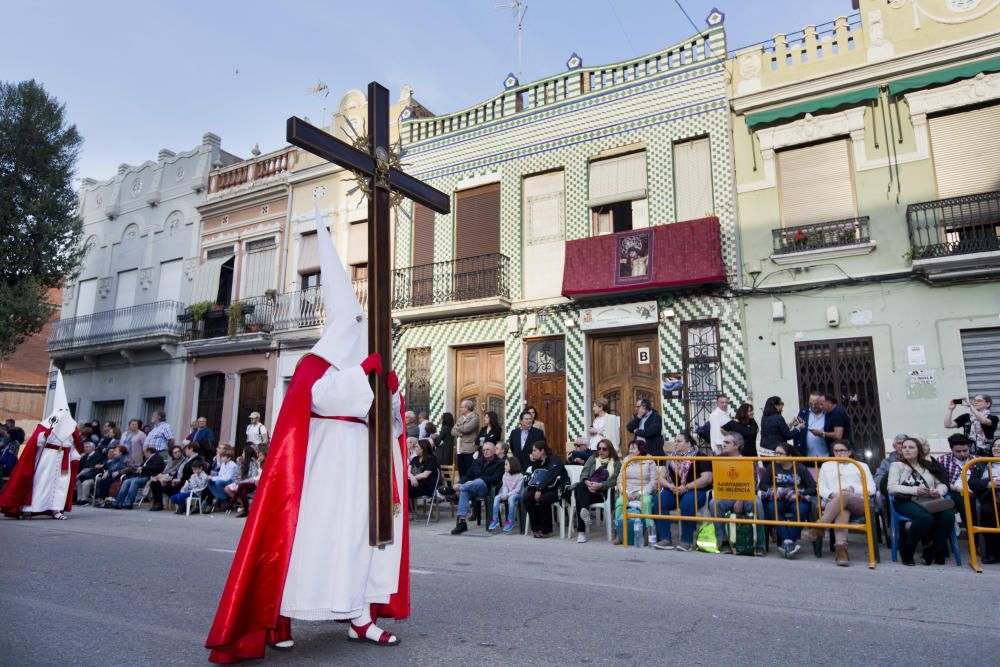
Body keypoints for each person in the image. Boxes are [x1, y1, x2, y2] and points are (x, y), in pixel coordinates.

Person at [206, 208, 408, 661]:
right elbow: (321, 399)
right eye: (356, 324)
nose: (364, 333)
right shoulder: (314, 365)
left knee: (360, 537)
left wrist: (390, 396)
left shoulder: (364, 368)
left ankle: (359, 615)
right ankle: (278, 617)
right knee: (308, 539)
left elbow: (389, 422)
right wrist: (362, 376)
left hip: (363, 466)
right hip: (323, 468)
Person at [0, 372, 83, 519]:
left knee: (60, 485)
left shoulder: (72, 426)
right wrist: (44, 435)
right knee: (41, 483)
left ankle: (56, 509)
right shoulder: (46, 424)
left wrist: (75, 457)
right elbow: (36, 442)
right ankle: (30, 507)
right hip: (47, 459)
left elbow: (75, 444)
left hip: (64, 459)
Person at [806, 439, 877, 566]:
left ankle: (820, 525)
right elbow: (820, 487)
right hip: (834, 502)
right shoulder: (827, 465)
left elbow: (871, 489)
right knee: (842, 510)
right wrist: (832, 495)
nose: (839, 453)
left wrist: (854, 490)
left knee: (844, 496)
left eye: (842, 450)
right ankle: (841, 550)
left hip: (858, 502)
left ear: (849, 452)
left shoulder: (861, 466)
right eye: (836, 451)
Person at [887, 436, 956, 566]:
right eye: (904, 448)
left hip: (928, 500)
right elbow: (891, 487)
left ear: (918, 450)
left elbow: (942, 484)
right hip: (906, 501)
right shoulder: (897, 465)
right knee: (926, 518)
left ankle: (933, 550)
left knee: (948, 515)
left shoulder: (928, 465)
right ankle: (908, 549)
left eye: (911, 447)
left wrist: (938, 491)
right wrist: (915, 490)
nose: (906, 450)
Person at [652, 432, 712, 551]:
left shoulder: (700, 457)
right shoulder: (671, 458)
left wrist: (686, 487)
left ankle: (686, 541)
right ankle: (666, 539)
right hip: (675, 490)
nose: (675, 443)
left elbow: (707, 478)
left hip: (695, 490)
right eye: (675, 441)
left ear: (688, 443)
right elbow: (661, 478)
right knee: (659, 500)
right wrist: (670, 486)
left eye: (679, 441)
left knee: (687, 503)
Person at [759, 443, 816, 558]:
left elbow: (812, 487)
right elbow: (762, 485)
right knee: (772, 508)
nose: (776, 456)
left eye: (780, 453)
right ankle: (789, 542)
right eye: (775, 453)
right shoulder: (773, 466)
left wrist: (799, 492)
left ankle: (787, 542)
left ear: (789, 456)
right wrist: (778, 490)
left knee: (801, 509)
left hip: (796, 497)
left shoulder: (800, 467)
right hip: (778, 496)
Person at [712, 433, 765, 556]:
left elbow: (754, 484)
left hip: (746, 496)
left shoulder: (749, 461)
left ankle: (759, 545)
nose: (723, 444)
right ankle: (723, 541)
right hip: (727, 496)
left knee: (756, 503)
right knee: (714, 503)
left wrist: (740, 499)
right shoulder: (719, 460)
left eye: (727, 443)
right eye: (724, 442)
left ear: (737, 446)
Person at [450, 441, 503, 535]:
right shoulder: (477, 461)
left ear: (494, 450)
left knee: (479, 481)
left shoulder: (500, 463)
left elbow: (496, 478)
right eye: (484, 450)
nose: (485, 452)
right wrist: (460, 482)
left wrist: (477, 480)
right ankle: (462, 523)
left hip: (488, 489)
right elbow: (468, 475)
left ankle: (453, 490)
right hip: (473, 488)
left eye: (488, 450)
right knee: (464, 491)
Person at [574, 438, 621, 543]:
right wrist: (587, 482)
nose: (601, 451)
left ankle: (581, 532)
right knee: (581, 487)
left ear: (610, 450)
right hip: (588, 489)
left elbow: (615, 481)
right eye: (599, 448)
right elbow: (584, 473)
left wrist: (601, 485)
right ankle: (584, 519)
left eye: (604, 449)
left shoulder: (616, 462)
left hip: (603, 494)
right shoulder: (593, 458)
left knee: (580, 498)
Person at [614, 440, 657, 544]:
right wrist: (625, 492)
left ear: (641, 449)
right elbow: (620, 480)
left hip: (644, 491)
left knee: (646, 502)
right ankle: (619, 533)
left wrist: (640, 493)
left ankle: (647, 531)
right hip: (629, 491)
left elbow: (653, 482)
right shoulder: (626, 461)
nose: (630, 451)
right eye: (630, 448)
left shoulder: (649, 461)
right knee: (619, 503)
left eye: (633, 448)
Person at [523, 442, 568, 538]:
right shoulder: (538, 461)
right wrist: (534, 462)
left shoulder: (555, 459)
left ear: (542, 451)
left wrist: (539, 489)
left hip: (557, 488)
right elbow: (536, 476)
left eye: (534, 450)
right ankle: (536, 528)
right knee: (527, 497)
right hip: (543, 488)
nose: (532, 453)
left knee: (544, 499)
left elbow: (550, 475)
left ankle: (546, 530)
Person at [967, 437, 1000, 564]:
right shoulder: (983, 463)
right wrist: (989, 484)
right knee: (987, 512)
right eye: (995, 446)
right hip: (989, 498)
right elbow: (972, 482)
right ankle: (992, 552)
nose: (997, 448)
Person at [936, 433, 977, 527]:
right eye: (958, 451)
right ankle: (973, 537)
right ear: (951, 450)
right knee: (965, 504)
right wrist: (957, 489)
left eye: (965, 450)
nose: (962, 454)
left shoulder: (977, 460)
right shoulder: (942, 460)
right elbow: (940, 481)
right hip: (955, 491)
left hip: (975, 490)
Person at [148, 442, 200, 511]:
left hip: (184, 481)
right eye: (175, 452)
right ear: (172, 454)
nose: (178, 453)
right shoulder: (172, 461)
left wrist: (175, 479)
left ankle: (183, 505)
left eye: (179, 451)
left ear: (191, 449)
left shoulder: (186, 460)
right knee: (155, 483)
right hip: (177, 479)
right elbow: (167, 471)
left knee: (166, 487)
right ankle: (158, 503)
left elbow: (187, 474)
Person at [112, 444, 165, 509]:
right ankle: (118, 503)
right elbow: (142, 467)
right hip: (142, 476)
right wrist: (139, 469)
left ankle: (129, 503)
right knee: (126, 481)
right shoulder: (147, 459)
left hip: (149, 477)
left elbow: (156, 468)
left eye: (144, 452)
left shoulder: (157, 458)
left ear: (148, 451)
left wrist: (143, 469)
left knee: (134, 482)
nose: (143, 453)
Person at [226, 445, 263, 518]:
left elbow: (253, 477)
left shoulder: (254, 462)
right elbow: (239, 474)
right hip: (247, 483)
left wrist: (241, 482)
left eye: (243, 453)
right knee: (242, 491)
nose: (242, 454)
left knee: (241, 486)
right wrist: (239, 463)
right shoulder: (244, 461)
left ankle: (231, 503)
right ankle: (246, 511)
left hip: (255, 483)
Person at [489, 456, 524, 533]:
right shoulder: (505, 475)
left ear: (513, 465)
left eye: (506, 464)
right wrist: (505, 494)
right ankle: (495, 519)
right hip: (507, 493)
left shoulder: (520, 476)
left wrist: (508, 495)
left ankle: (510, 521)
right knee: (497, 497)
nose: (504, 466)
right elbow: (504, 486)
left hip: (518, 495)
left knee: (511, 498)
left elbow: (517, 490)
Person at [791, 393, 827, 457]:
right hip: (807, 456)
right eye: (810, 404)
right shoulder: (804, 412)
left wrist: (822, 433)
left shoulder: (827, 413)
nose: (813, 406)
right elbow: (798, 432)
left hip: (825, 455)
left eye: (816, 404)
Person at [451, 400, 480, 477]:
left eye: (461, 407)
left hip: (469, 449)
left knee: (469, 472)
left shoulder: (475, 417)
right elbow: (453, 431)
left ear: (467, 408)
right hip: (459, 449)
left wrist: (458, 427)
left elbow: (466, 429)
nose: (460, 408)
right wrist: (461, 433)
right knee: (461, 472)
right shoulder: (460, 418)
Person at [73, 441, 105, 505]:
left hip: (93, 475)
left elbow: (95, 468)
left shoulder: (97, 455)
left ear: (92, 448)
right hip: (84, 475)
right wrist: (80, 458)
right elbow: (80, 466)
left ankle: (84, 500)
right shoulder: (85, 456)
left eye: (87, 447)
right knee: (78, 482)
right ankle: (79, 499)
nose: (85, 449)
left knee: (86, 483)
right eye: (85, 447)